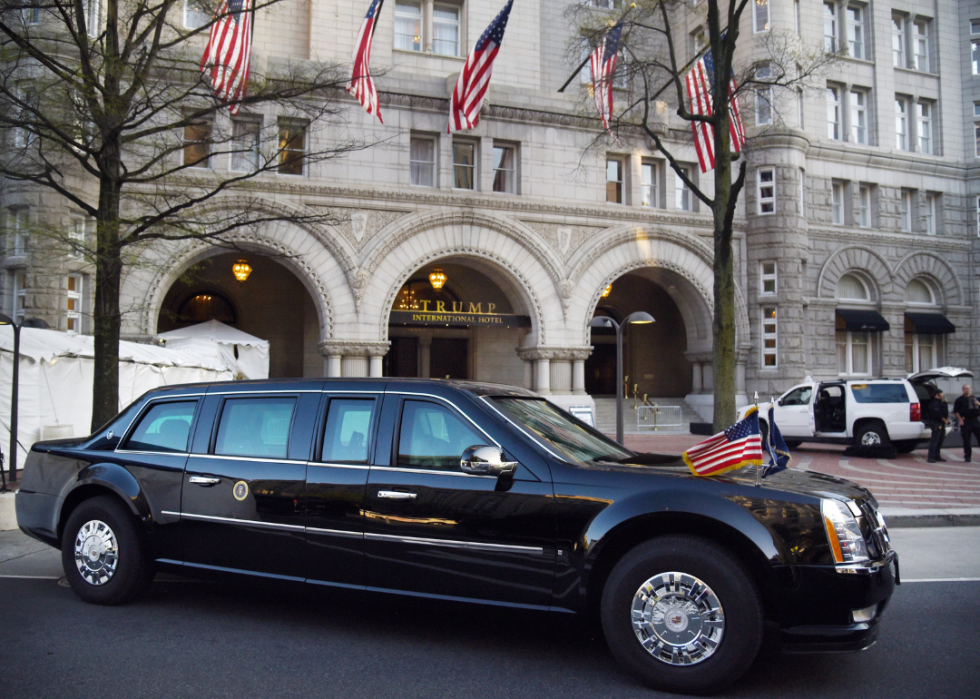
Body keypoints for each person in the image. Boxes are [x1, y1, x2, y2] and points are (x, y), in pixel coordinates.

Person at [953, 384, 980, 463]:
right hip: (965, 421)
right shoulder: (959, 400)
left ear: (970, 389)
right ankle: (967, 456)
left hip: (975, 421)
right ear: (962, 390)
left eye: (967, 388)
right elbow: (956, 411)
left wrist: (978, 404)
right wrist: (960, 420)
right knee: (966, 440)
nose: (966, 390)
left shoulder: (975, 398)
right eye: (965, 389)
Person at [926, 390, 950, 463]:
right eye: (942, 393)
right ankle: (931, 457)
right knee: (934, 441)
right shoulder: (934, 403)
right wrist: (945, 420)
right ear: (937, 394)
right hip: (936, 423)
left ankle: (937, 456)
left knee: (940, 440)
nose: (943, 394)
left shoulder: (941, 403)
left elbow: (945, 412)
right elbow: (937, 414)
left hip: (941, 424)